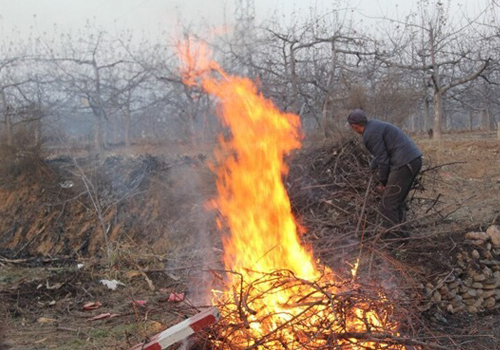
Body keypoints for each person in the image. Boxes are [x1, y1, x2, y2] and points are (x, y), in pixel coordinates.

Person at [347, 109, 422, 235]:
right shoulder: (374, 126)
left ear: (354, 126)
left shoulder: (368, 135)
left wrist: (383, 182)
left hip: (404, 163)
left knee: (387, 205)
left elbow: (383, 160)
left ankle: (393, 242)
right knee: (397, 201)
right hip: (414, 159)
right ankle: (402, 236)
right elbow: (380, 155)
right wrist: (371, 168)